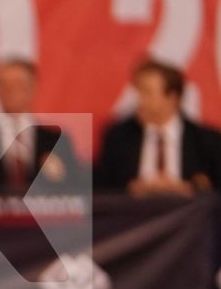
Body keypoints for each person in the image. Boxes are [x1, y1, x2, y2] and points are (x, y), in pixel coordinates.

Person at [0, 57, 80, 195]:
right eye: (4, 84)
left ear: (33, 87)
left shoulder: (57, 141)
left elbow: (74, 191)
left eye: (18, 83)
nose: (11, 91)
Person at [94, 59, 221, 195]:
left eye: (147, 92)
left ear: (172, 98)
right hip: (134, 215)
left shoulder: (208, 142)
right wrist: (130, 190)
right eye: (137, 92)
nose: (139, 100)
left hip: (189, 215)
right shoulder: (118, 137)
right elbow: (102, 191)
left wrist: (189, 190)